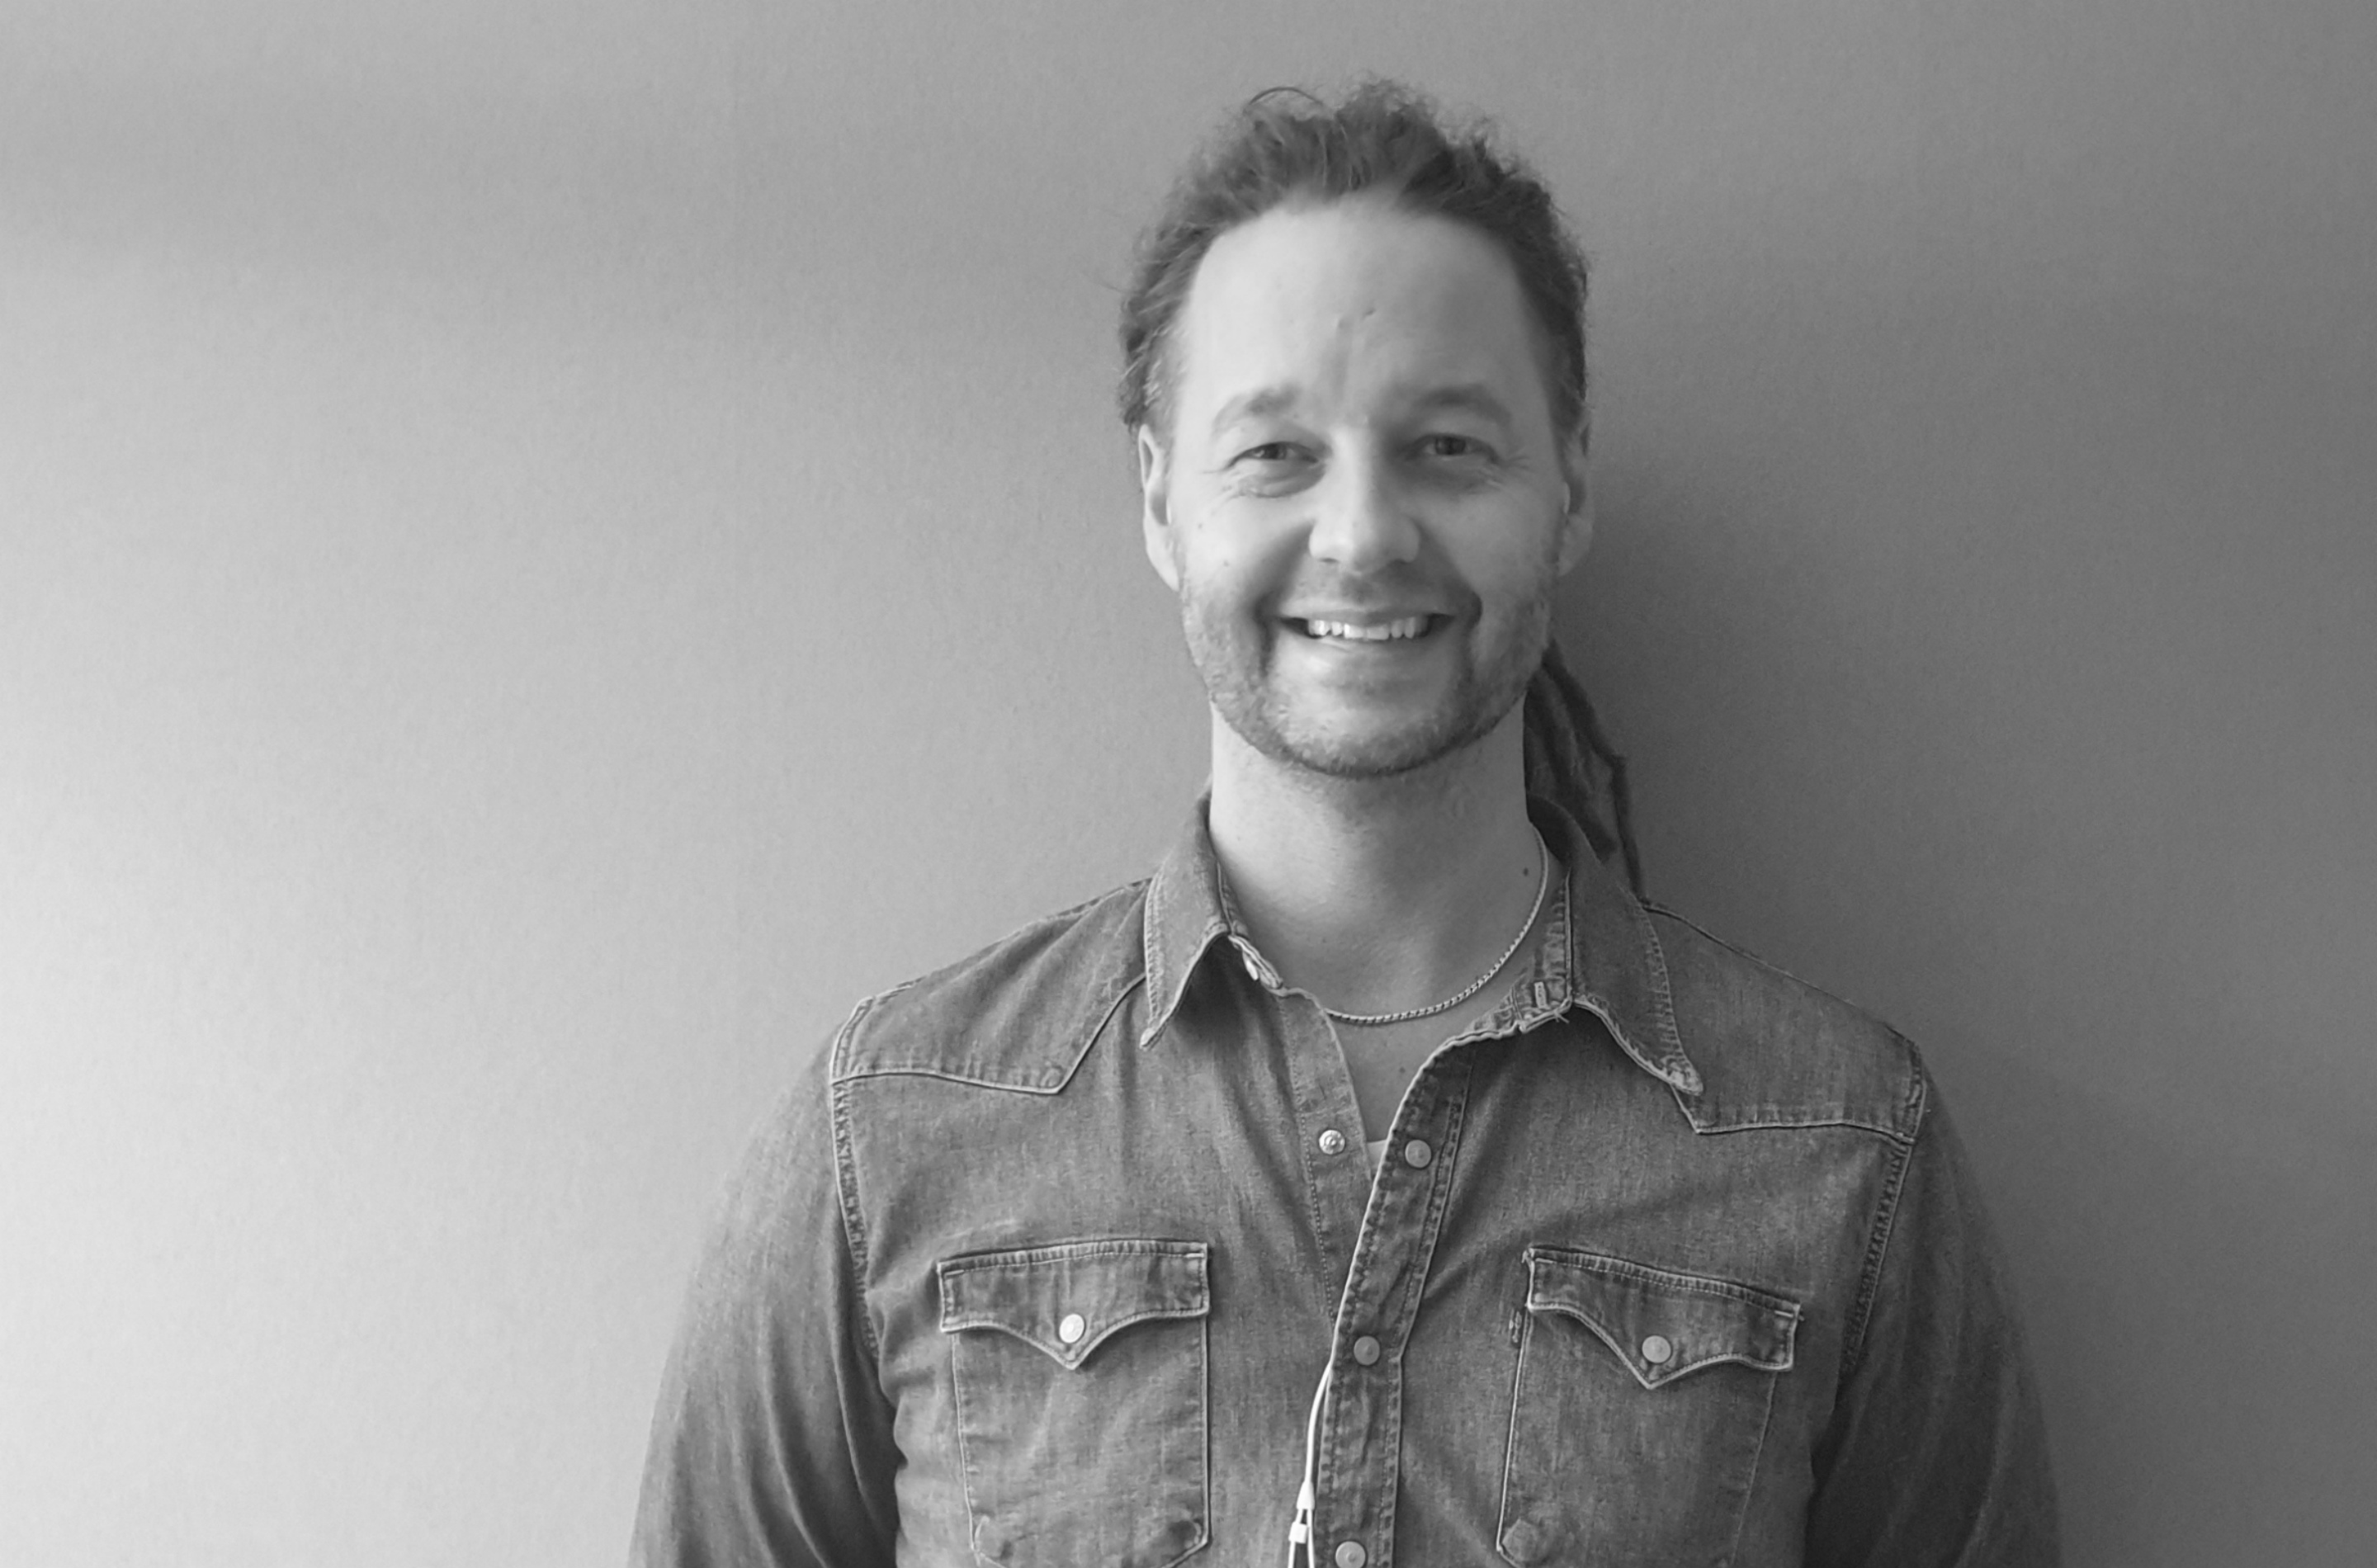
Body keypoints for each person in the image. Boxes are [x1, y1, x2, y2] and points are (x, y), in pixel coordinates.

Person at [631, 80, 2059, 1567]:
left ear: (1569, 486)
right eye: (1275, 452)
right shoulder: (897, 1129)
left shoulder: (1841, 1143)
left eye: (1448, 445)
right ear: (1160, 499)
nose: (1365, 534)